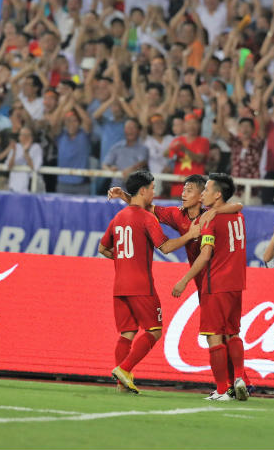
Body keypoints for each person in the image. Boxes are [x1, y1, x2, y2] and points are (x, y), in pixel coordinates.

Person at [108, 174, 254, 395]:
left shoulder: (209, 215)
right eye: (183, 189)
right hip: (207, 282)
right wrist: (124, 196)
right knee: (226, 332)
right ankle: (239, 381)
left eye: (189, 190)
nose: (183, 194)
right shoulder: (178, 215)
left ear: (201, 195)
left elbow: (238, 205)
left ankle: (232, 384)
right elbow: (144, 204)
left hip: (214, 280)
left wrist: (216, 211)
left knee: (218, 334)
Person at [99, 170, 201, 394]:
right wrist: (190, 235)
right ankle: (124, 369)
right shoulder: (147, 218)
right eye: (153, 188)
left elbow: (103, 248)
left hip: (119, 286)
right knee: (154, 331)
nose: (154, 192)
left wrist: (124, 259)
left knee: (127, 333)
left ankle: (121, 385)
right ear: (144, 191)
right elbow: (165, 247)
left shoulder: (118, 218)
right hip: (141, 285)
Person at [171, 173, 248, 401]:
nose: (203, 193)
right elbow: (238, 205)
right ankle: (239, 377)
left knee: (213, 336)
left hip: (216, 283)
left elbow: (205, 256)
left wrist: (184, 280)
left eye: (207, 190)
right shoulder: (238, 216)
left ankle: (223, 390)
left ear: (217, 195)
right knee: (232, 333)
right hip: (237, 283)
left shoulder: (209, 220)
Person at [6, 125, 44, 193]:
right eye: (22, 135)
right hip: (14, 186)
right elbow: (9, 166)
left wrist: (26, 152)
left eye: (26, 135)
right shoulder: (16, 147)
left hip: (30, 186)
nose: (24, 137)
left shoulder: (36, 147)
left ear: (31, 137)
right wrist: (14, 152)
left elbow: (34, 167)